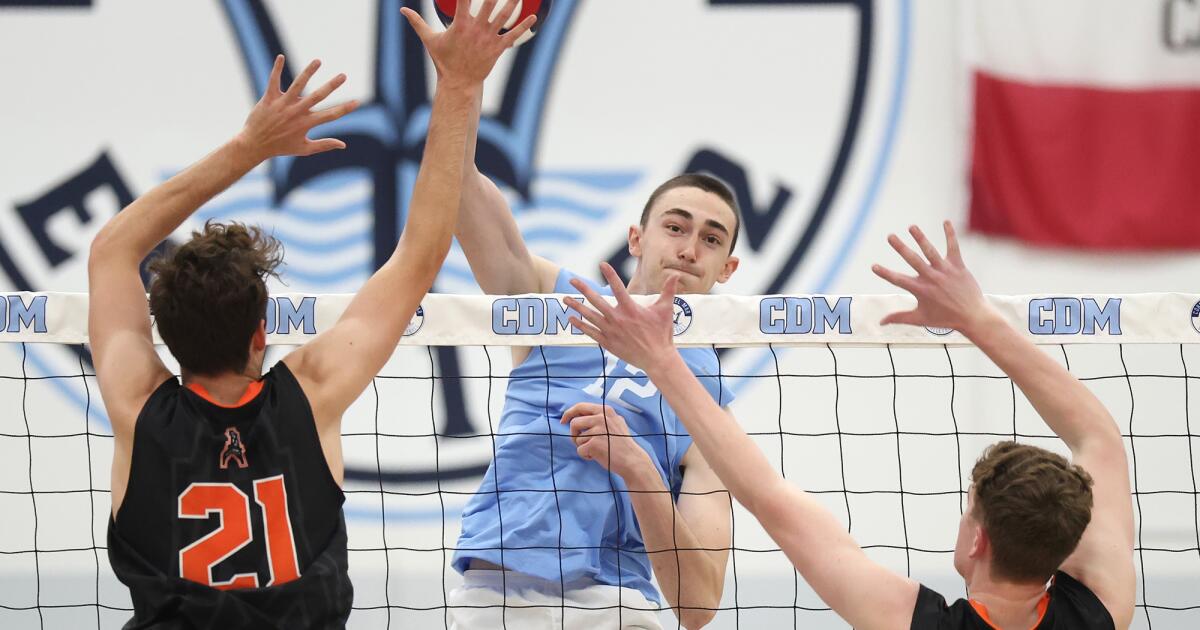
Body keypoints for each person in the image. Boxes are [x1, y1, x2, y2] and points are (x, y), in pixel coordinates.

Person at [88, 3, 535, 626]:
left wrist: (248, 147)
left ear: (163, 331)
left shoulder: (137, 405)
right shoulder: (311, 395)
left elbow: (112, 249)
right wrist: (460, 84)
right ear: (261, 333)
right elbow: (420, 254)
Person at [562, 221, 1135, 629]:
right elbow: (1100, 438)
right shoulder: (1100, 609)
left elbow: (766, 494)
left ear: (977, 538)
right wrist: (978, 319)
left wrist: (974, 317)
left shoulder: (912, 619)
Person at [436, 39, 740, 628]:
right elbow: (458, 184)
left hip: (612, 604)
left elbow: (699, 605)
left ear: (728, 267)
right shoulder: (558, 303)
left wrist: (638, 467)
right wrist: (461, 82)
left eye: (710, 238)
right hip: (493, 594)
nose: (688, 247)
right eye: (675, 227)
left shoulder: (710, 403)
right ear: (637, 238)